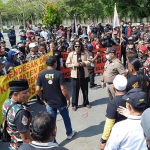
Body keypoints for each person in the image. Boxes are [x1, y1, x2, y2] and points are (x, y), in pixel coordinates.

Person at [36, 56, 76, 140]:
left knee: (51, 123)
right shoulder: (59, 74)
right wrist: (68, 99)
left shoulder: (41, 74)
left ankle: (52, 141)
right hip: (61, 102)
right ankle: (69, 133)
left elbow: (37, 89)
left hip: (49, 103)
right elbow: (63, 89)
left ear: (46, 64)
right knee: (66, 118)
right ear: (55, 64)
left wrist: (43, 99)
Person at [2, 79, 33, 150]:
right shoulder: (21, 113)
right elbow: (26, 139)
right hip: (22, 146)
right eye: (25, 93)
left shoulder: (6, 102)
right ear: (15, 94)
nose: (28, 94)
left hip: (13, 144)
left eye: (28, 91)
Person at [100, 75, 127, 150]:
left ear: (114, 88)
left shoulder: (113, 104)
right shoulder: (131, 98)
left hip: (118, 135)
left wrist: (103, 140)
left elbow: (109, 124)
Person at [66, 40, 91, 111]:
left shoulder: (85, 53)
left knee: (85, 90)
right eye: (76, 46)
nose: (77, 48)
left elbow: (90, 61)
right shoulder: (71, 54)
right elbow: (67, 64)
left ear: (81, 46)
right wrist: (74, 65)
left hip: (84, 75)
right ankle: (74, 104)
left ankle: (86, 103)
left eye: (78, 46)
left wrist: (85, 63)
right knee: (75, 91)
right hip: (75, 76)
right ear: (74, 47)